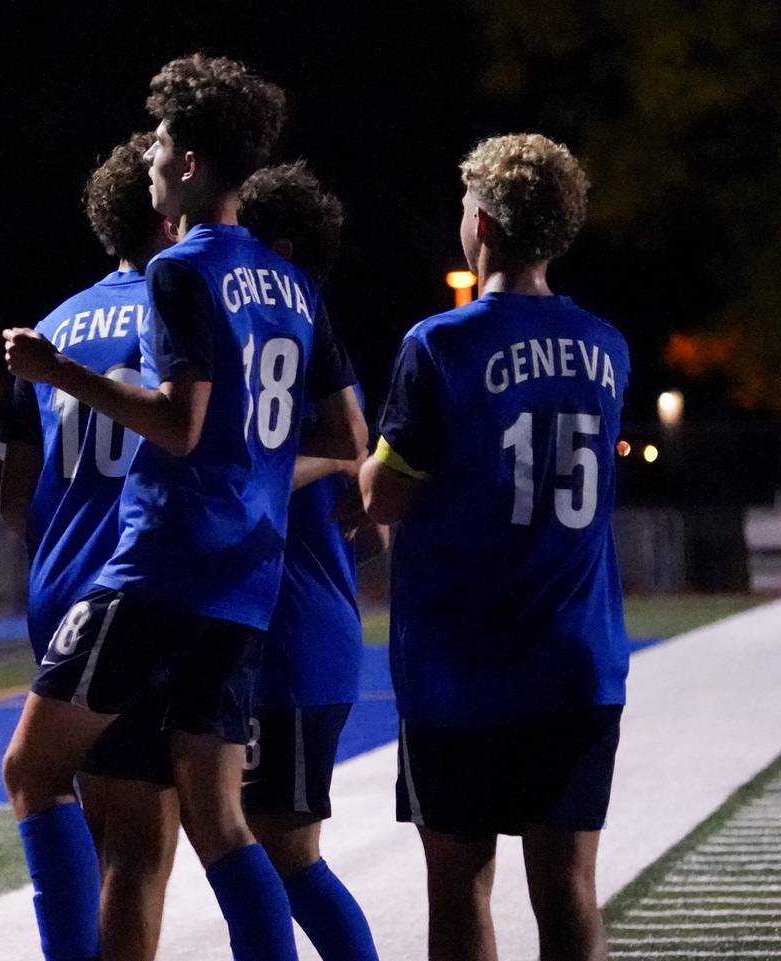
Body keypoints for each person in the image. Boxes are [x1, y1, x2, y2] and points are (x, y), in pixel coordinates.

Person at [1, 54, 367, 961]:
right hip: (246, 588)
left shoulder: (180, 269)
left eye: (162, 141)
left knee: (30, 772)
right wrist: (262, 472)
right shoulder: (294, 286)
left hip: (157, 570)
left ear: (192, 162)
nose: (152, 157)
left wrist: (58, 373)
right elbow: (354, 437)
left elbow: (178, 422)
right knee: (221, 824)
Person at [360, 134, 628, 961]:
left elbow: (387, 494)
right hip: (575, 656)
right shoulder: (608, 346)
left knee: (462, 885)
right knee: (568, 890)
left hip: (459, 667)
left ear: (483, 224)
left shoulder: (439, 343)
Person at [0, 132, 184, 961]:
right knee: (140, 849)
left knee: (96, 831)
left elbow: (17, 507)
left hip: (58, 587)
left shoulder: (56, 322)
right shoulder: (186, 304)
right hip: (140, 587)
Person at [237, 162, 380, 961]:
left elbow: (351, 447)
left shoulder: (283, 334)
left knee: (280, 858)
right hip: (291, 630)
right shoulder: (299, 348)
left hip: (287, 639)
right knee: (254, 852)